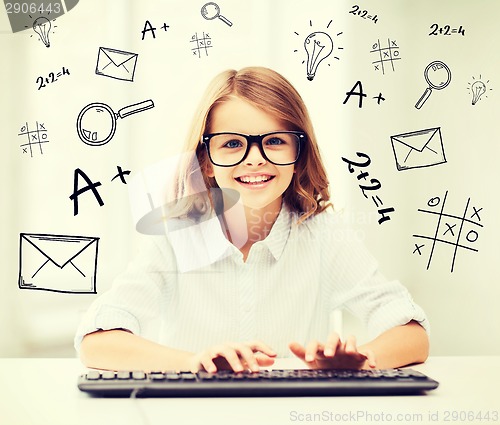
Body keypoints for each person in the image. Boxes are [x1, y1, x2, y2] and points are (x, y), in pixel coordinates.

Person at [75, 66, 429, 373]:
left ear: (298, 152)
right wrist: (195, 362)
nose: (255, 159)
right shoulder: (176, 234)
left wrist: (362, 360)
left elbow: (412, 334)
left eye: (274, 140)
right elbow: (98, 341)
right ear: (207, 159)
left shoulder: (323, 234)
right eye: (232, 144)